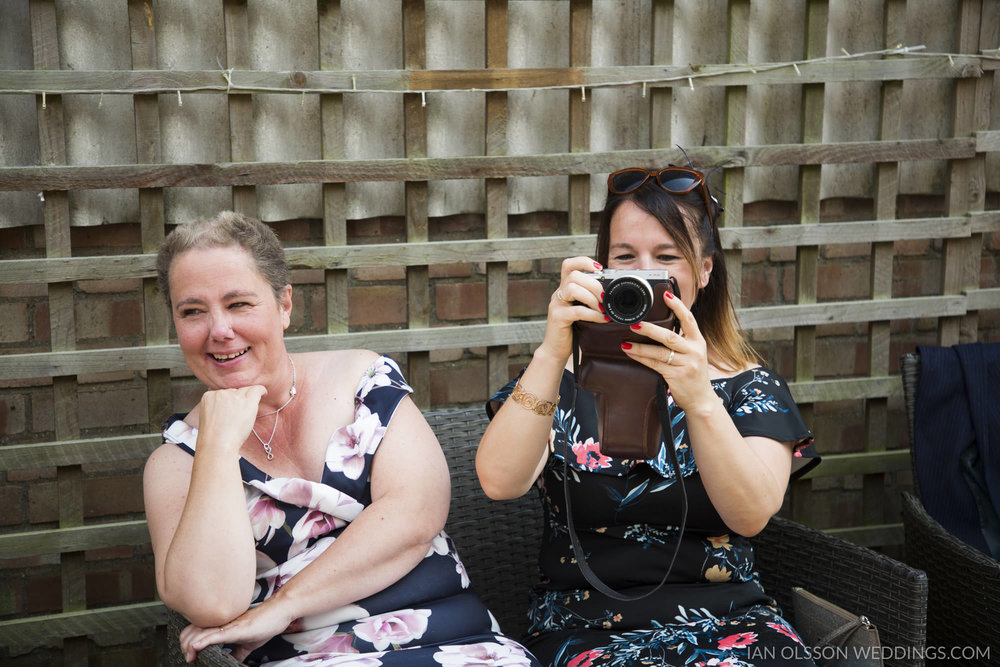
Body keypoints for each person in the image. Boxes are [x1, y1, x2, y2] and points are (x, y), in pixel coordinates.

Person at [144, 211, 540, 666]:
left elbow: (416, 516)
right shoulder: (175, 462)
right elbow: (211, 604)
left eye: (239, 304)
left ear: (284, 304)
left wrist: (282, 605)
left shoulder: (360, 380)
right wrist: (215, 447)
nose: (219, 330)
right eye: (193, 311)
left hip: (459, 642)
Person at [475, 165, 821, 667]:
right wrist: (552, 354)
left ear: (704, 270)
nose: (643, 272)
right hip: (584, 627)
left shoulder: (750, 387)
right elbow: (499, 482)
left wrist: (700, 398)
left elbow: (750, 515)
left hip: (732, 625)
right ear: (599, 269)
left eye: (665, 258)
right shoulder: (557, 381)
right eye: (624, 257)